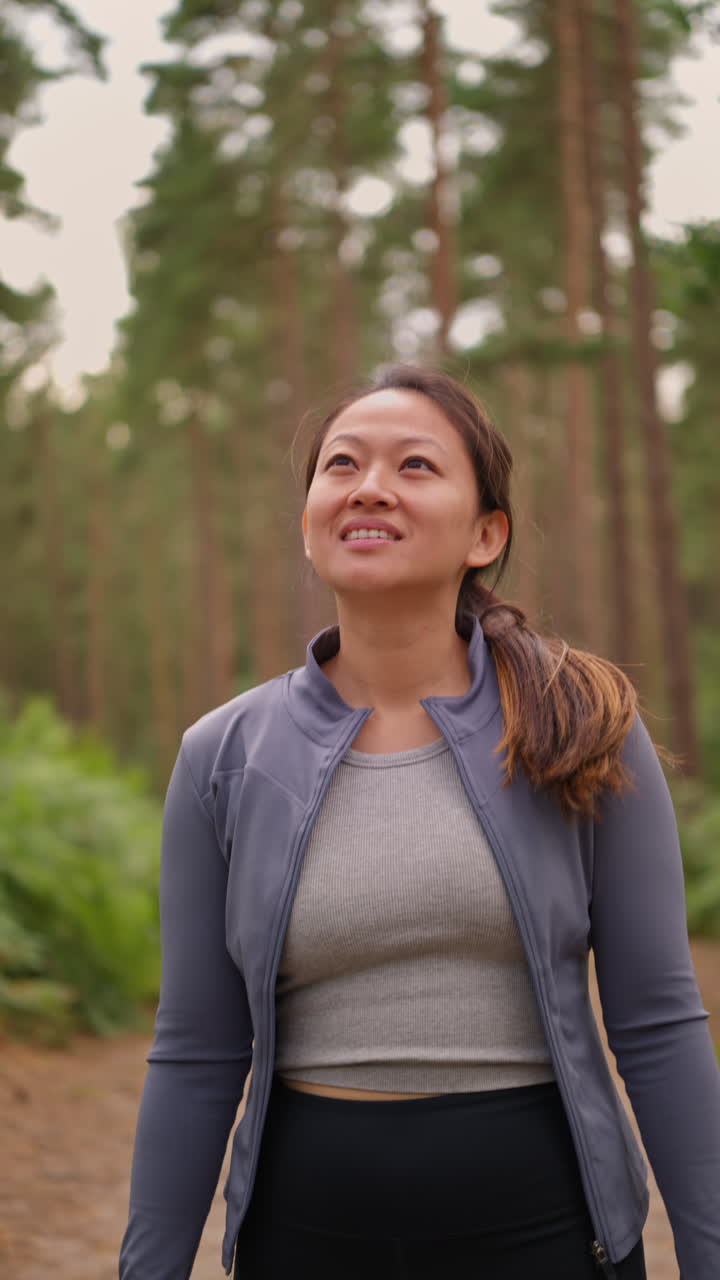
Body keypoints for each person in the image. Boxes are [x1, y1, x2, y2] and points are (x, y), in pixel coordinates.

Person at [119, 364, 720, 1280]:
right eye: (342, 465)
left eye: (415, 467)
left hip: (552, 1238)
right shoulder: (224, 755)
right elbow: (198, 1050)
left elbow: (658, 1024)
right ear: (311, 522)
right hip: (305, 1240)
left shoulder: (582, 724)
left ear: (487, 533)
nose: (369, 487)